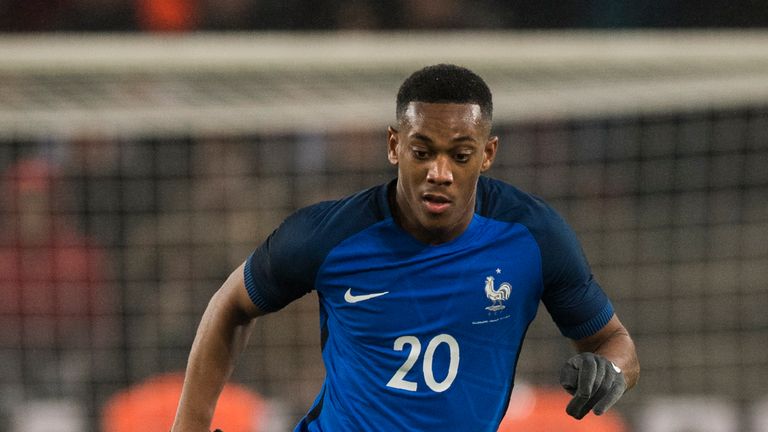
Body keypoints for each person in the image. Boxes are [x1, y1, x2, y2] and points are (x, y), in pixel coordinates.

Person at [171, 64, 639, 431]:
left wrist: (610, 372)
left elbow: (614, 344)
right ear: (394, 146)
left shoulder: (533, 236)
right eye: (422, 151)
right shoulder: (328, 236)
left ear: (488, 153)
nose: (440, 171)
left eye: (459, 155)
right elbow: (230, 305)